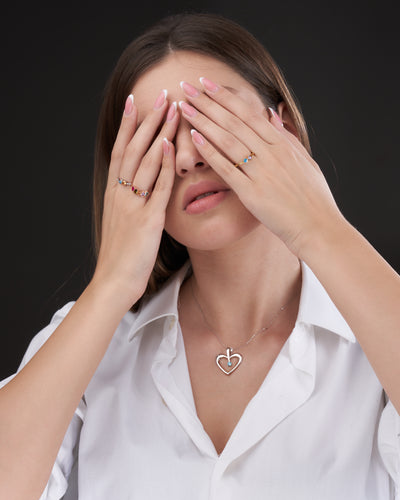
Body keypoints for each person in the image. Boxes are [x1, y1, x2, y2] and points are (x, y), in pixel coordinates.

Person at [0, 12, 399, 500]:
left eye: (209, 118)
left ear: (285, 128)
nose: (189, 156)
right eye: (156, 139)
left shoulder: (372, 340)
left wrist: (318, 225)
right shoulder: (89, 343)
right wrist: (113, 284)